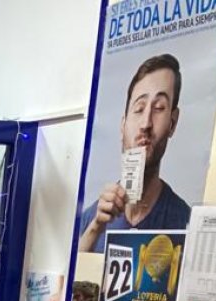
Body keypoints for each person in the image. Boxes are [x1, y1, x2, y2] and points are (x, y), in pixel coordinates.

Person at [79, 53, 191, 254]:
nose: (146, 123)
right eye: (139, 109)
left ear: (172, 123)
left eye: (159, 108)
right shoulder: (90, 220)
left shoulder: (186, 224)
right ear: (123, 125)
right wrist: (96, 228)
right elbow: (66, 283)